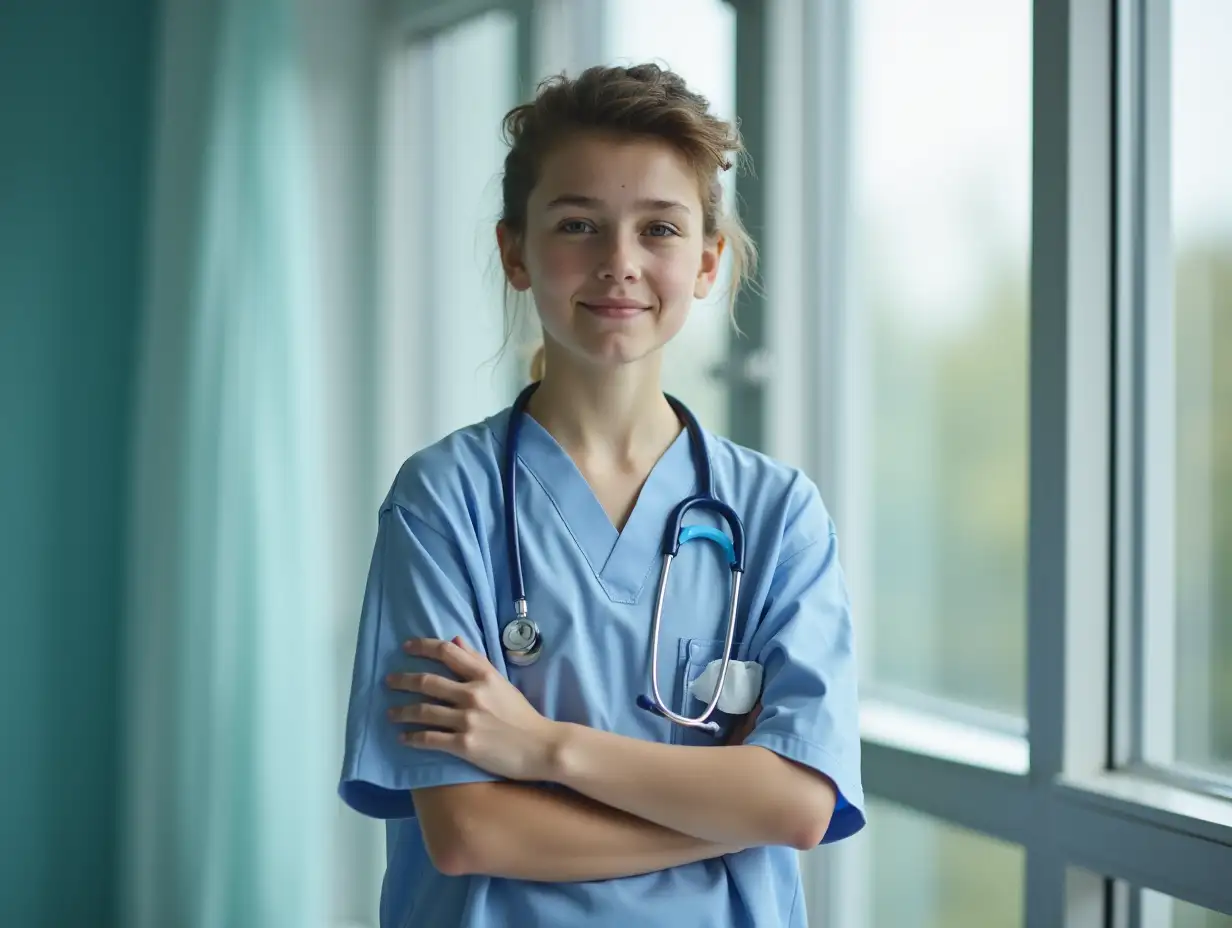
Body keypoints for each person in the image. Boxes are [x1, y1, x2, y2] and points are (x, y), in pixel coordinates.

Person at [338, 62, 865, 928]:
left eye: (658, 228)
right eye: (578, 224)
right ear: (516, 252)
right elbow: (470, 829)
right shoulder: (444, 504)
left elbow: (801, 805)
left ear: (707, 262)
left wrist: (543, 747)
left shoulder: (778, 515)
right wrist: (726, 810)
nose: (619, 264)